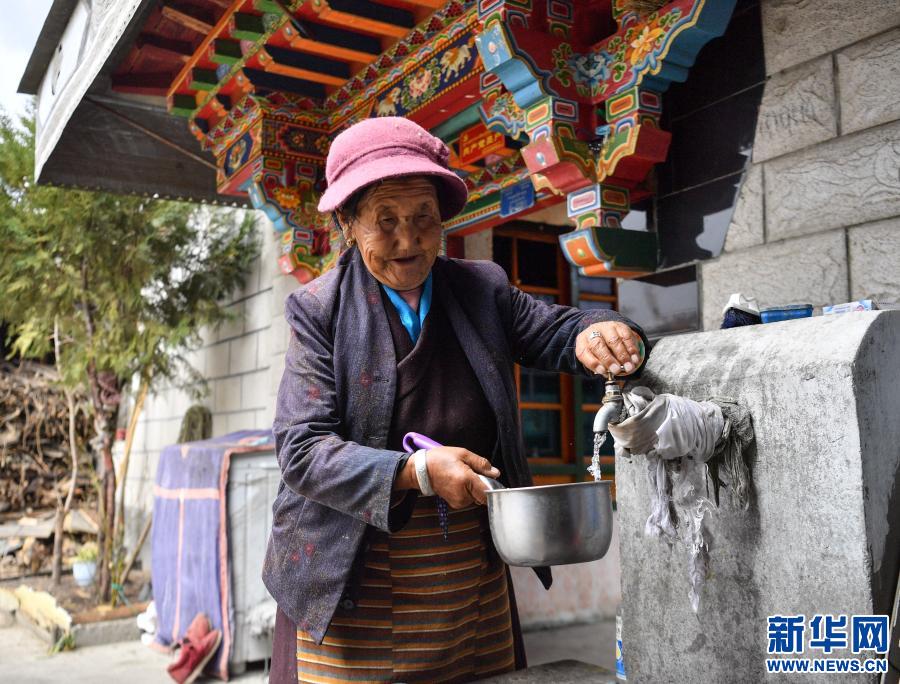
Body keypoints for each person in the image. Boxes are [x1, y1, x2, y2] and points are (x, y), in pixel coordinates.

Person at [264, 116, 648, 683]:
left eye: (424, 217)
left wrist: (596, 332)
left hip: (467, 568)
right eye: (385, 221)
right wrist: (417, 470)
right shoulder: (319, 310)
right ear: (347, 224)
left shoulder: (479, 288)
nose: (408, 240)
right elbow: (302, 450)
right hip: (353, 568)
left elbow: (553, 331)